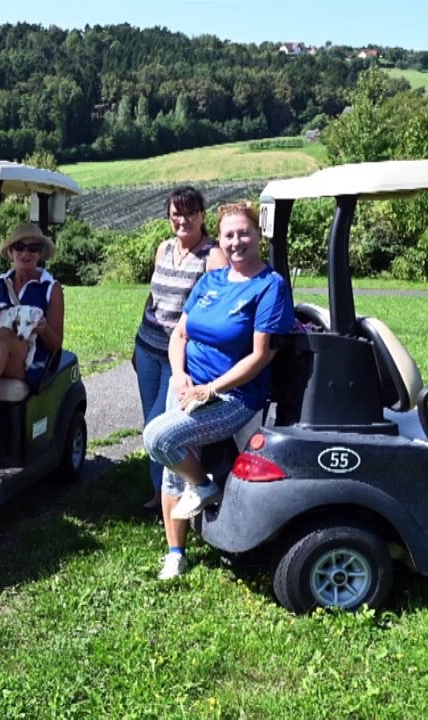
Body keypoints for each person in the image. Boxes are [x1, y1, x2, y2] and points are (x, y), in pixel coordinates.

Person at [142, 202, 293, 580]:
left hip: (232, 397)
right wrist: (179, 375)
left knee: (159, 438)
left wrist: (210, 389)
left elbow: (260, 357)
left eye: (244, 233)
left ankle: (205, 485)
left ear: (258, 235)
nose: (236, 241)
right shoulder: (212, 281)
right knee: (170, 467)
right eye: (229, 235)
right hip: (188, 384)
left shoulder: (270, 287)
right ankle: (175, 552)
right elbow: (180, 333)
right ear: (220, 240)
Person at [133, 187, 229, 512]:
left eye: (190, 213)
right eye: (176, 214)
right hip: (147, 347)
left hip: (180, 358)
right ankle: (157, 494)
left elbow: (216, 311)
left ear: (202, 215)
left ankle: (174, 498)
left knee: (163, 425)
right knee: (150, 420)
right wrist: (137, 342)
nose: (183, 220)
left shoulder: (213, 256)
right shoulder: (163, 249)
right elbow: (153, 297)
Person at [0, 222, 65, 410]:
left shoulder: (50, 288)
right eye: (19, 247)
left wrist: (43, 329)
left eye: (33, 248)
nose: (25, 253)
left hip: (27, 360)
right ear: (11, 253)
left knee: (3, 335)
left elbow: (56, 345)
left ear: (40, 253)